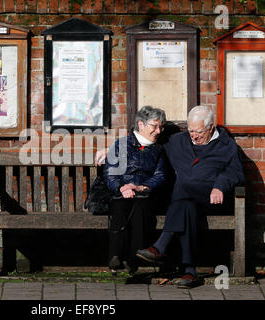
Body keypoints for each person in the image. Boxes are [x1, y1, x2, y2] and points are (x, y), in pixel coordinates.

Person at [95, 105, 245, 288]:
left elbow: (235, 172)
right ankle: (189, 272)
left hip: (213, 198)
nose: (193, 136)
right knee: (185, 206)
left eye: (198, 132)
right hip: (185, 202)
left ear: (211, 127)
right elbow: (143, 142)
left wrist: (220, 186)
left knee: (183, 190)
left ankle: (160, 246)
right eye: (190, 131)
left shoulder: (226, 145)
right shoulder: (178, 141)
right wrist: (110, 151)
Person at [103, 106, 166, 275]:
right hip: (121, 192)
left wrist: (141, 187)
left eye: (161, 127)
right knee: (120, 206)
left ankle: (133, 260)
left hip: (144, 193)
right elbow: (110, 172)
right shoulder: (122, 144)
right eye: (154, 126)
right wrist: (122, 187)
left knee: (141, 208)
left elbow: (160, 175)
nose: (158, 131)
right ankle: (115, 256)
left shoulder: (158, 150)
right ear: (141, 124)